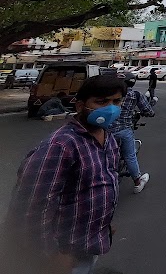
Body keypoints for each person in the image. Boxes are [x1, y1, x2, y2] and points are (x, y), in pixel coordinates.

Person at [3, 75, 126, 274]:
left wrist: (103, 225)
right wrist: (50, 255)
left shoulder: (108, 138)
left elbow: (102, 184)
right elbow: (33, 205)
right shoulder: (61, 145)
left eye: (117, 101)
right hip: (63, 254)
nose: (111, 109)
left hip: (89, 244)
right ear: (80, 106)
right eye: (101, 102)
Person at [110, 77, 155, 194]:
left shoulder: (111, 93)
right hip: (124, 129)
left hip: (107, 130)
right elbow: (148, 111)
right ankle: (137, 183)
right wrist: (149, 112)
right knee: (130, 156)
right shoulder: (135, 95)